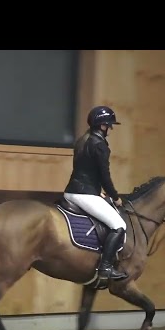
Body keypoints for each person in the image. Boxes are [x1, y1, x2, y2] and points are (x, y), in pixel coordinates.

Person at [63, 105, 128, 281]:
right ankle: (105, 267)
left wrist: (97, 192)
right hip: (84, 195)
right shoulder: (100, 145)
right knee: (119, 226)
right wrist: (115, 197)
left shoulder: (82, 140)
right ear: (102, 125)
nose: (110, 129)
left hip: (72, 192)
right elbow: (105, 177)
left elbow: (85, 171)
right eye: (109, 126)